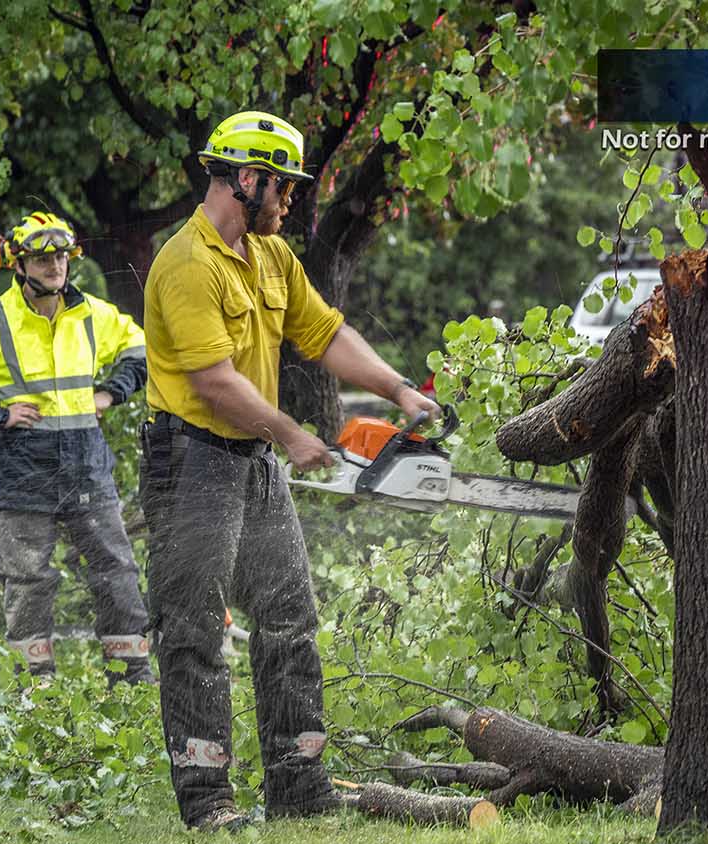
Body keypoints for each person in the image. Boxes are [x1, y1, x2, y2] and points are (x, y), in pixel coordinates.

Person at [142, 110, 440, 832]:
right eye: (285, 187)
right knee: (194, 631)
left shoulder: (271, 257)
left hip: (252, 460)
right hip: (191, 460)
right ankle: (210, 803)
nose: (293, 199)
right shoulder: (186, 264)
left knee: (288, 618)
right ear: (247, 180)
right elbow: (214, 381)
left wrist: (399, 389)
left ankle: (299, 784)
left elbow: (325, 332)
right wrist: (291, 433)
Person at [0, 211, 153, 685]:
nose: (55, 266)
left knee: (115, 569)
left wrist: (109, 392)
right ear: (18, 262)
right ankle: (37, 686)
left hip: (86, 464)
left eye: (61, 256)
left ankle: (131, 676)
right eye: (42, 257)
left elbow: (141, 350)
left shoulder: (93, 314)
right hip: (22, 467)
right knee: (27, 578)